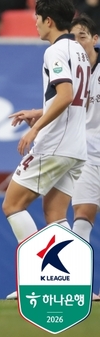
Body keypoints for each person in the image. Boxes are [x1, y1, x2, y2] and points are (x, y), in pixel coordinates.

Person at [3, 0, 89, 300]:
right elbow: (74, 99)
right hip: (76, 147)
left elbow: (65, 95)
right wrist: (38, 112)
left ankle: (37, 278)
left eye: (38, 20)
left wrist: (36, 128)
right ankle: (68, 281)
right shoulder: (80, 50)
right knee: (55, 214)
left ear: (49, 21)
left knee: (12, 205)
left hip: (54, 143)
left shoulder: (55, 51)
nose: (36, 25)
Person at [68, 15, 100, 253]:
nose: (78, 43)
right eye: (73, 39)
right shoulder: (69, 73)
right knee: (82, 216)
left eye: (83, 37)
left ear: (95, 39)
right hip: (85, 155)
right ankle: (80, 276)